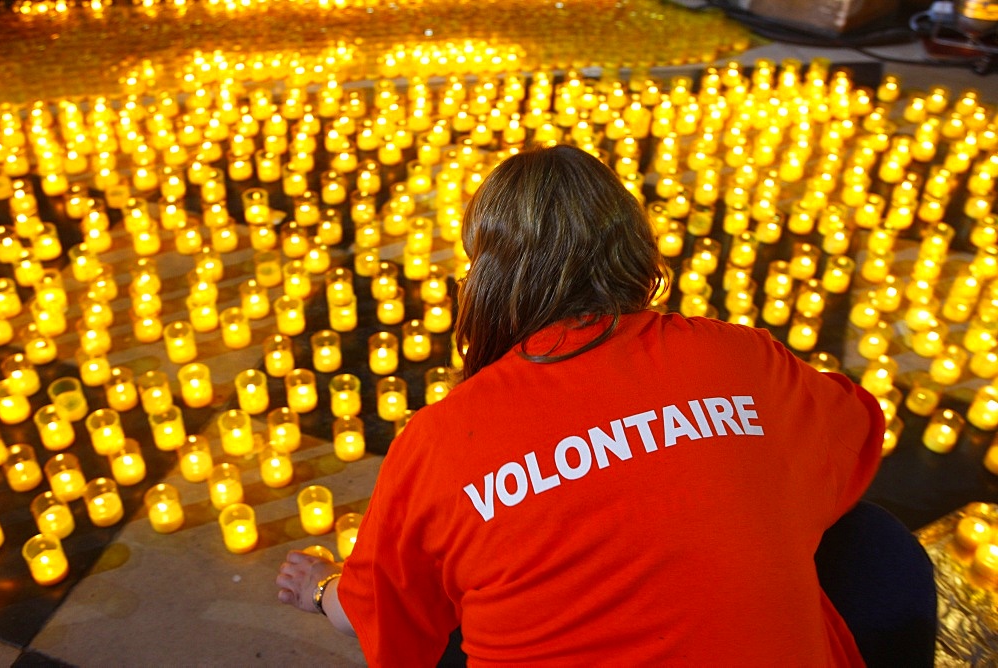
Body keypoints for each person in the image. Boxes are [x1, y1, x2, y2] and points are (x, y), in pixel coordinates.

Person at [277, 144, 932, 666]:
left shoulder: (441, 440)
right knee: (869, 538)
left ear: (487, 278)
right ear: (637, 247)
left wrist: (321, 587)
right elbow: (856, 428)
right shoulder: (739, 357)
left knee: (452, 612)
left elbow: (376, 614)